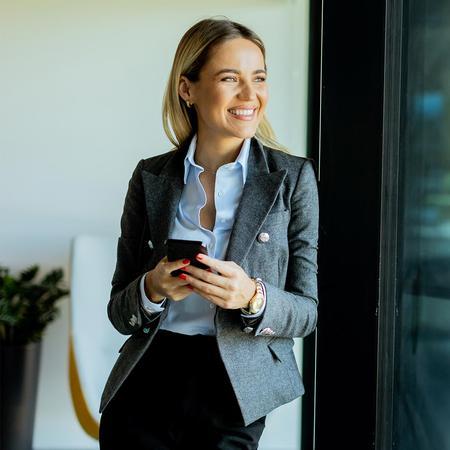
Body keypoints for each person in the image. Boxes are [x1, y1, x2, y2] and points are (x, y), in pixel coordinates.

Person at [98, 17, 319, 450]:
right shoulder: (151, 177)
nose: (250, 95)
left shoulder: (292, 179)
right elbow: (118, 311)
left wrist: (252, 296)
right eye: (229, 78)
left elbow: (307, 313)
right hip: (148, 376)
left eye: (258, 78)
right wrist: (152, 288)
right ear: (188, 88)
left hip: (235, 385)